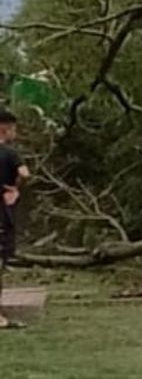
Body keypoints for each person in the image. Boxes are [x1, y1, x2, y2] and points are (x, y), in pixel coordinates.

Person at [0, 108, 30, 330]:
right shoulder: (9, 153)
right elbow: (25, 173)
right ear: (5, 127)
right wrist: (15, 189)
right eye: (14, 128)